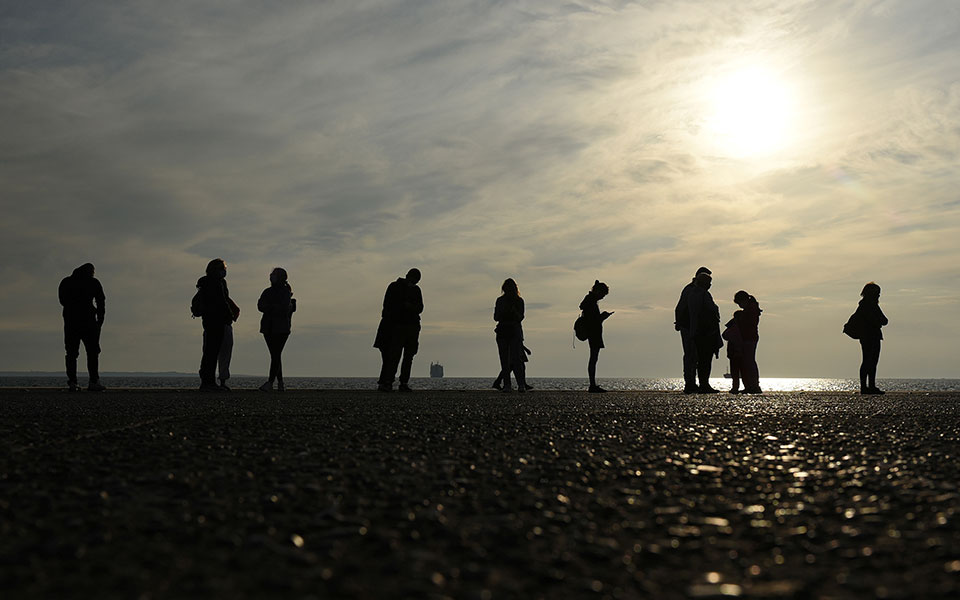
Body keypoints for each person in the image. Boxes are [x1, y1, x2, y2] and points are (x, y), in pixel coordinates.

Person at [374, 268, 423, 392]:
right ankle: (389, 382)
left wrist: (410, 307)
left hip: (410, 327)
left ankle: (401, 382)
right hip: (398, 326)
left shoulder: (416, 290)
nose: (414, 282)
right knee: (394, 356)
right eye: (414, 279)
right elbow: (388, 306)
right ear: (408, 276)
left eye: (416, 280)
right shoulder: (395, 287)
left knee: (406, 356)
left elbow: (420, 308)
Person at [59, 263, 106, 392]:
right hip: (88, 322)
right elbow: (101, 301)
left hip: (71, 322)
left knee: (72, 353)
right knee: (92, 352)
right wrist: (100, 318)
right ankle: (93, 381)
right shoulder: (93, 282)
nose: (93, 274)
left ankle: (73, 382)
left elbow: (62, 300)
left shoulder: (67, 282)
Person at [674, 267, 722, 393]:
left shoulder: (694, 291)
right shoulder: (692, 291)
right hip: (693, 329)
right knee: (693, 356)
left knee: (696, 356)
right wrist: (680, 322)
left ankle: (694, 383)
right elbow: (683, 308)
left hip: (694, 328)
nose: (710, 285)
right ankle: (691, 383)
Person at [196, 259, 236, 392]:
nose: (224, 271)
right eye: (222, 268)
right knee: (212, 353)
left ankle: (207, 381)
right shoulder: (216, 283)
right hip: (217, 321)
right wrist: (230, 315)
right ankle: (209, 382)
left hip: (209, 321)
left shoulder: (205, 283)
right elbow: (222, 302)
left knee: (209, 352)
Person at [258, 268, 296, 392]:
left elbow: (283, 308)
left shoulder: (285, 292)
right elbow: (260, 305)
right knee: (275, 355)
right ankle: (280, 382)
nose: (271, 277)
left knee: (275, 354)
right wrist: (273, 307)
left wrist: (270, 307)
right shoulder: (267, 291)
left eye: (274, 275)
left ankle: (270, 382)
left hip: (281, 328)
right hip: (268, 327)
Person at [493, 278, 531, 392]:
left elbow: (520, 317)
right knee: (507, 360)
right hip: (505, 331)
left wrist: (513, 312)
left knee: (514, 360)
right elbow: (496, 317)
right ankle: (510, 385)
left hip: (513, 331)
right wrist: (505, 313)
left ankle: (519, 385)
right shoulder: (501, 301)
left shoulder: (519, 301)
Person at [854, 282, 888, 395]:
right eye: (877, 293)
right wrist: (877, 321)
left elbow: (884, 320)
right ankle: (866, 387)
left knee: (870, 361)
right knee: (869, 361)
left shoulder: (866, 305)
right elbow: (883, 320)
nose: (879, 295)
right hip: (870, 336)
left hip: (869, 336)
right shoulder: (869, 305)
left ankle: (868, 386)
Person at [580, 280, 613, 393]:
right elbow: (593, 320)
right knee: (593, 358)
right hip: (593, 332)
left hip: (593, 332)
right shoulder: (591, 302)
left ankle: (592, 384)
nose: (603, 297)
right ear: (598, 291)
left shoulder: (590, 301)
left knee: (594, 358)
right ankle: (592, 385)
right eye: (603, 294)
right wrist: (603, 317)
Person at [733, 291, 762, 394]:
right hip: (749, 337)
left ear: (743, 300)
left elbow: (748, 324)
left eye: (739, 303)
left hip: (749, 338)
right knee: (748, 361)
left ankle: (754, 385)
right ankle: (752, 385)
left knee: (749, 361)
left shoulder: (751, 310)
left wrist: (740, 317)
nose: (740, 306)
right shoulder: (751, 309)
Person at [209, 298, 240, 390]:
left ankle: (209, 381)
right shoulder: (224, 297)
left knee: (210, 355)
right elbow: (236, 310)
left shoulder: (205, 296)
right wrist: (232, 316)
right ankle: (222, 381)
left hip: (211, 326)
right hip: (223, 326)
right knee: (224, 356)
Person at [722, 316, 743, 394]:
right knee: (741, 371)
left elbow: (725, 335)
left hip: (734, 352)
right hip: (738, 352)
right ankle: (744, 386)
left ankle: (735, 387)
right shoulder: (742, 328)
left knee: (735, 371)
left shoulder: (734, 328)